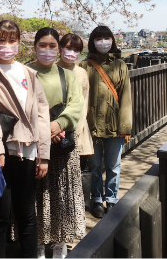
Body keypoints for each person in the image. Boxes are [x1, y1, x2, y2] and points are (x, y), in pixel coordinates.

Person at [0, 20, 51, 259]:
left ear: (19, 42)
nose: (7, 45)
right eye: (1, 40)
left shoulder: (29, 73)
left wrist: (44, 154)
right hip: (2, 154)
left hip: (28, 152)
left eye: (12, 40)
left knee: (27, 215)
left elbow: (42, 113)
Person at [29, 27, 85, 259]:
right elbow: (19, 108)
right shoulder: (25, 72)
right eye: (43, 45)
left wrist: (59, 124)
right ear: (35, 46)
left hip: (62, 147)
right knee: (36, 197)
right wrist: (44, 129)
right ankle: (39, 242)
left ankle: (60, 241)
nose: (48, 50)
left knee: (62, 196)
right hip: (33, 145)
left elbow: (76, 105)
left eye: (53, 46)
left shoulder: (68, 76)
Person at [79, 25, 132, 218]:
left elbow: (126, 98)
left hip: (114, 126)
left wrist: (125, 127)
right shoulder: (84, 66)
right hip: (91, 126)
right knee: (93, 166)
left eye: (106, 38)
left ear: (112, 40)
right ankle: (96, 200)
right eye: (98, 38)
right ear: (92, 41)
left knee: (113, 165)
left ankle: (111, 199)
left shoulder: (121, 65)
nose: (103, 42)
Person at [57, 33, 94, 170]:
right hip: (56, 132)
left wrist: (78, 126)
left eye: (76, 50)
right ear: (60, 48)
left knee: (79, 172)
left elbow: (85, 102)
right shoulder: (51, 70)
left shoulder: (81, 72)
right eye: (68, 48)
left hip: (78, 130)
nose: (71, 52)